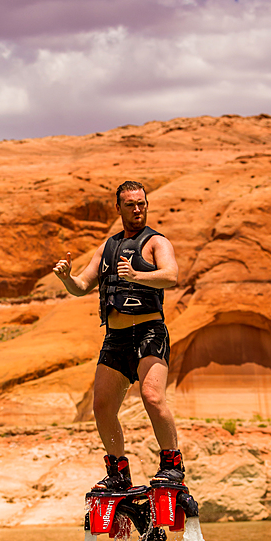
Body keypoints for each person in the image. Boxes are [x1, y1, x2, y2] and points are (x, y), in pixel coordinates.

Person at [53, 180, 185, 492]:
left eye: (141, 203)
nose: (137, 209)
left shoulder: (156, 243)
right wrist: (66, 278)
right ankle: (118, 471)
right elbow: (82, 286)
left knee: (152, 396)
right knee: (102, 406)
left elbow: (171, 275)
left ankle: (171, 464)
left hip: (149, 332)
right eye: (130, 204)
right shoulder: (107, 247)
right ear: (119, 208)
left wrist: (138, 275)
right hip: (115, 338)